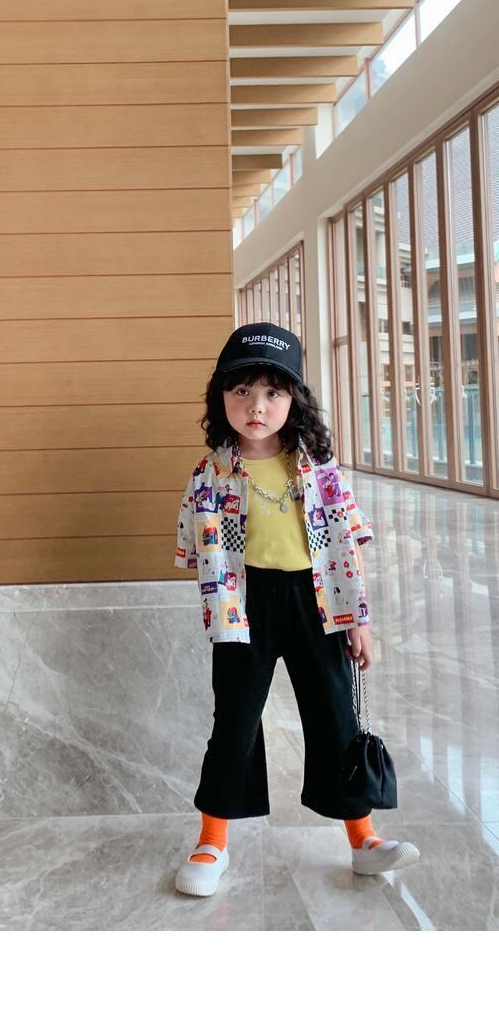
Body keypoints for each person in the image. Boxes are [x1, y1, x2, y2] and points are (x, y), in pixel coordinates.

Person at [174, 319, 419, 893]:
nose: (256, 406)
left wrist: (359, 621)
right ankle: (211, 841)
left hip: (318, 602)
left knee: (335, 716)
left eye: (272, 393)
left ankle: (363, 838)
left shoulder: (321, 471)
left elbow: (346, 548)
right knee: (234, 721)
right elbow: (197, 552)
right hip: (244, 605)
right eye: (242, 391)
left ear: (295, 401)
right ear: (221, 398)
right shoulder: (209, 474)